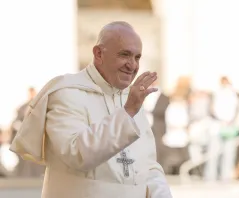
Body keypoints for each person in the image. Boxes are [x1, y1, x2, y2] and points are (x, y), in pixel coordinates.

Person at [10, 21, 172, 198]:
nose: (132, 65)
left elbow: (148, 166)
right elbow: (76, 154)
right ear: (99, 54)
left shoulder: (130, 98)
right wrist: (127, 113)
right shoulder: (66, 93)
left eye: (137, 57)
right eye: (124, 55)